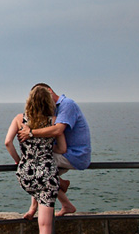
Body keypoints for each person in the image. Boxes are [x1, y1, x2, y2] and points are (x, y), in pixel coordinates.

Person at [4, 85, 67, 234]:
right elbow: (63, 149)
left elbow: (7, 142)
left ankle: (34, 207)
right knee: (46, 226)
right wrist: (47, 150)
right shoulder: (53, 122)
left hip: (26, 174)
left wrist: (18, 160)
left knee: (36, 191)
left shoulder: (19, 119)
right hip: (47, 174)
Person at [18, 83, 91, 217]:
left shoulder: (67, 105)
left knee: (37, 166)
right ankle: (64, 201)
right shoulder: (52, 110)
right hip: (64, 152)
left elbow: (58, 130)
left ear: (49, 91)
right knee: (43, 173)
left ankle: (34, 208)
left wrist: (31, 133)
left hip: (75, 154)